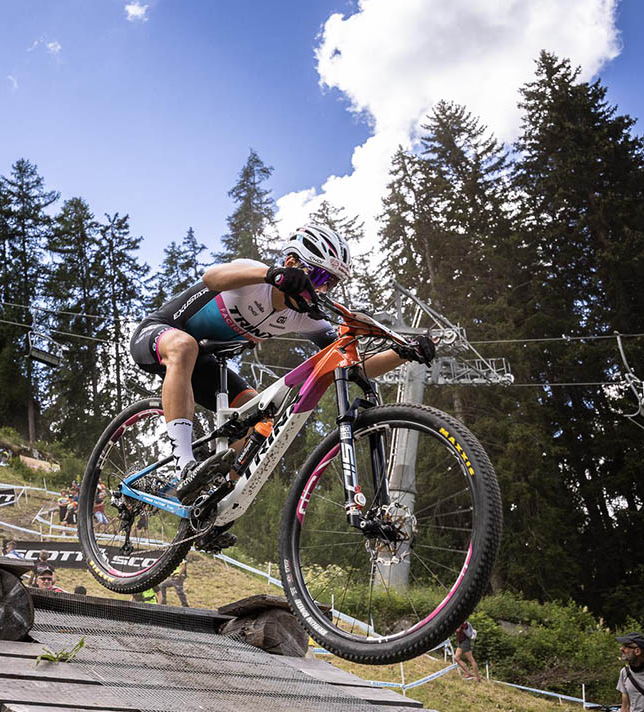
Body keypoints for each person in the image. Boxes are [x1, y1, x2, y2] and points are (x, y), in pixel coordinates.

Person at [127, 224, 435, 543]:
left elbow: (354, 366)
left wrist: (403, 353)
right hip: (161, 335)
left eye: (328, 283)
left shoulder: (306, 316)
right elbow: (212, 277)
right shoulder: (253, 275)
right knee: (184, 346)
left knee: (258, 418)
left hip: (205, 362)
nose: (319, 289)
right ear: (291, 262)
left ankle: (207, 512)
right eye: (317, 277)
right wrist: (271, 275)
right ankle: (184, 463)